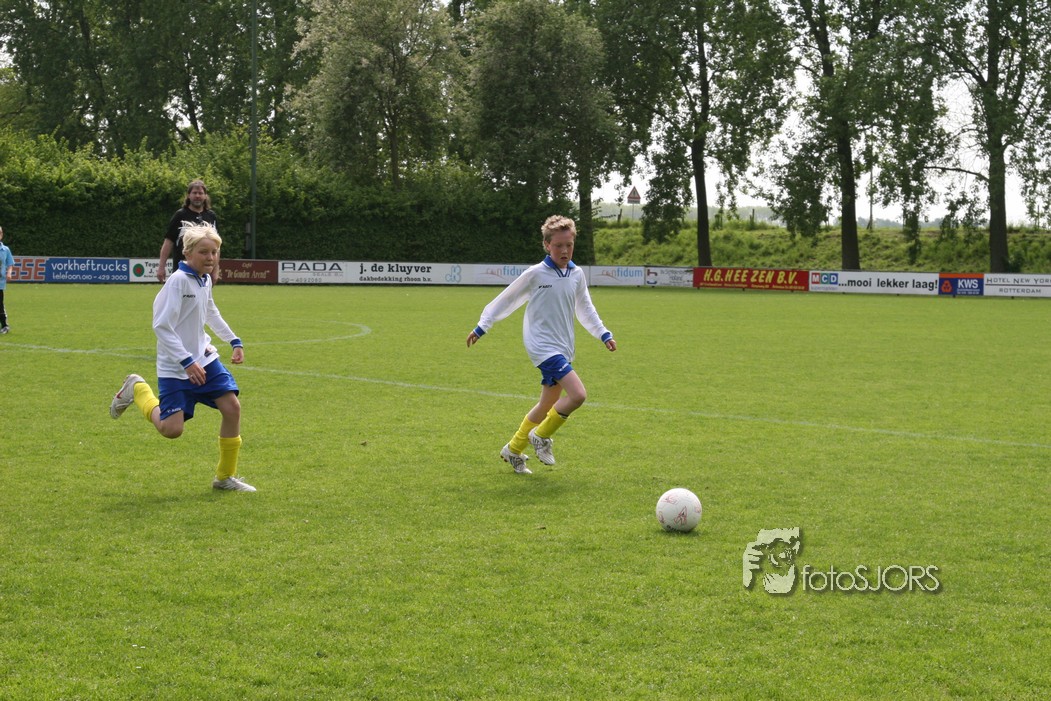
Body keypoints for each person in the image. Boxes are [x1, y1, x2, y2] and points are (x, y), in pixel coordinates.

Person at [467, 215, 617, 474]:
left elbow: (585, 308)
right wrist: (483, 326)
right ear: (547, 245)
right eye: (558, 245)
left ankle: (513, 449)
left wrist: (603, 333)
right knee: (578, 395)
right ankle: (541, 436)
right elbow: (507, 299)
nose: (564, 250)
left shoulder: (576, 274)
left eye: (569, 245)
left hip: (563, 347)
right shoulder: (536, 273)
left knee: (547, 404)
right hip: (542, 347)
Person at [111, 222, 255, 492]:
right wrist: (186, 361)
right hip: (176, 366)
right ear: (187, 253)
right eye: (204, 252)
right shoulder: (178, 282)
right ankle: (137, 389)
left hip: (205, 359)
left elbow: (210, 312)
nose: (210, 258)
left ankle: (224, 477)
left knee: (232, 408)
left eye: (214, 252)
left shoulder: (204, 279)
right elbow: (161, 326)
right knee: (171, 430)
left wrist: (234, 340)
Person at [158, 179, 218, 282]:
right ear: (188, 195)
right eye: (194, 193)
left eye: (200, 193)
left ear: (205, 196)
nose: (197, 196)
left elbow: (216, 246)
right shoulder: (180, 215)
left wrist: (215, 269)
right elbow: (168, 242)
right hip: (183, 271)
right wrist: (161, 267)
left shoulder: (211, 216)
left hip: (204, 273)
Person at [0, 225, 14, 334]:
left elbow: (10, 263)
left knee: (0, 304)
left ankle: (5, 326)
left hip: (0, 282)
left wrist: (9, 273)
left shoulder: (5, 250)